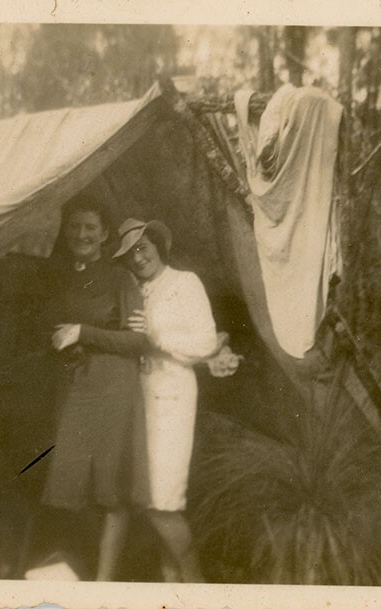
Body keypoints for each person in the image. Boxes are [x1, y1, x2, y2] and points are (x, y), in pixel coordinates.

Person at [37, 198, 147, 581]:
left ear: (103, 234)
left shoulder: (120, 279)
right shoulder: (62, 274)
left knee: (106, 485)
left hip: (111, 388)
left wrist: (84, 333)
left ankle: (101, 579)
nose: (81, 235)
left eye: (90, 228)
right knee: (68, 483)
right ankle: (69, 571)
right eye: (75, 227)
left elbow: (138, 341)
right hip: (73, 385)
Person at [112, 217, 218, 583]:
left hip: (171, 400)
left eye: (143, 248)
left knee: (163, 501)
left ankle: (197, 586)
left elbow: (205, 345)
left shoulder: (184, 283)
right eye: (129, 254)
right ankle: (171, 585)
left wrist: (156, 337)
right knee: (146, 498)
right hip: (138, 401)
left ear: (158, 244)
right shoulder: (133, 291)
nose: (138, 259)